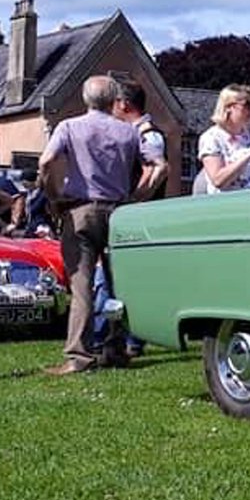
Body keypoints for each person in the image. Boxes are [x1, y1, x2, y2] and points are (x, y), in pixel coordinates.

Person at [38, 75, 141, 375]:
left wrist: (53, 195)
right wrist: (135, 194)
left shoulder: (69, 127)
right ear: (114, 101)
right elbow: (156, 166)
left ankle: (79, 356)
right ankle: (116, 346)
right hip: (119, 212)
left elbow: (46, 162)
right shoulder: (129, 132)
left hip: (81, 210)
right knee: (119, 283)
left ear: (85, 99)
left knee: (81, 283)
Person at [92, 79, 169, 359]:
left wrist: (134, 199)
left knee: (116, 278)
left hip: (139, 216)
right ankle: (124, 339)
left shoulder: (148, 134)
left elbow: (157, 169)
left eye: (114, 104)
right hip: (139, 214)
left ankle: (116, 339)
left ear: (124, 104)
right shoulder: (137, 133)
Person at [198, 85, 250, 193]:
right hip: (229, 203)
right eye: (246, 105)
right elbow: (218, 181)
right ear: (228, 107)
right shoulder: (211, 138)